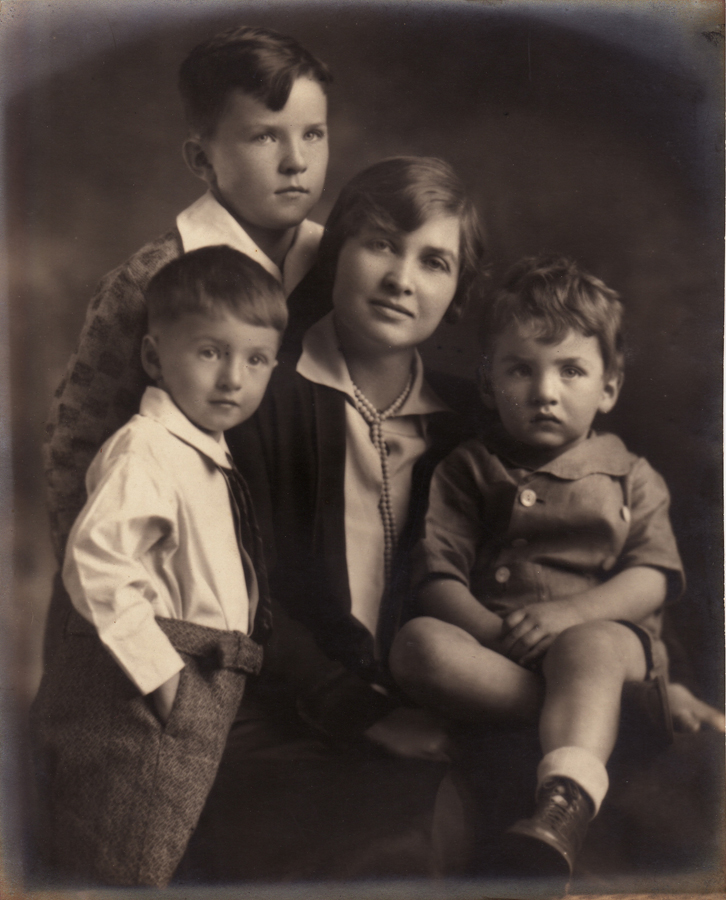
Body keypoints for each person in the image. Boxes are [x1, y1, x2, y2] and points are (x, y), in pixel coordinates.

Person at [180, 156, 488, 881]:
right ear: (336, 249)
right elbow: (233, 587)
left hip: (437, 701)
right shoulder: (257, 396)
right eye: (380, 243)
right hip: (286, 702)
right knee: (379, 855)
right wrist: (364, 714)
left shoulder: (470, 423)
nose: (401, 278)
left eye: (434, 261)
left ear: (459, 291)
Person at [390, 256, 690, 879]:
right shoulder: (467, 469)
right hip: (501, 650)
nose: (544, 392)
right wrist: (495, 632)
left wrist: (573, 614)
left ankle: (565, 801)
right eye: (521, 369)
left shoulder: (630, 475)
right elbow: (438, 576)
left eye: (571, 370)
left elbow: (652, 575)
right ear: (488, 381)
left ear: (608, 387)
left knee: (587, 651)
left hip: (608, 640)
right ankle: (601, 716)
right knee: (418, 644)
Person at [30, 247, 286, 887]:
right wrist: (163, 678)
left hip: (206, 680)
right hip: (151, 688)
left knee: (169, 858)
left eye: (254, 359)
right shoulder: (144, 448)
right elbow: (97, 564)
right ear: (154, 357)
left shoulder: (204, 450)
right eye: (209, 352)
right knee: (122, 859)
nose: (233, 378)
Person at [43, 23, 331, 564]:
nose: (297, 160)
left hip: (316, 577)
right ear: (202, 161)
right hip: (182, 580)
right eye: (265, 136)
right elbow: (77, 450)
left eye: (313, 133)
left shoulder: (342, 267)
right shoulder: (149, 282)